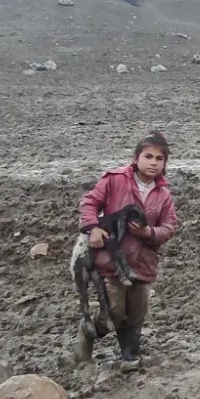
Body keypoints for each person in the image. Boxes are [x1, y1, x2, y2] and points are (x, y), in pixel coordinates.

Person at [76, 131, 178, 371]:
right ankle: (89, 331)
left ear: (165, 163)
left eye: (159, 159)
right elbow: (89, 202)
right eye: (148, 156)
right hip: (112, 261)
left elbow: (169, 226)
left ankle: (130, 356)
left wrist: (149, 233)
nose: (153, 163)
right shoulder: (115, 181)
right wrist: (93, 228)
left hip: (144, 262)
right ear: (136, 157)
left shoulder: (163, 195)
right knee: (114, 311)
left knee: (138, 311)